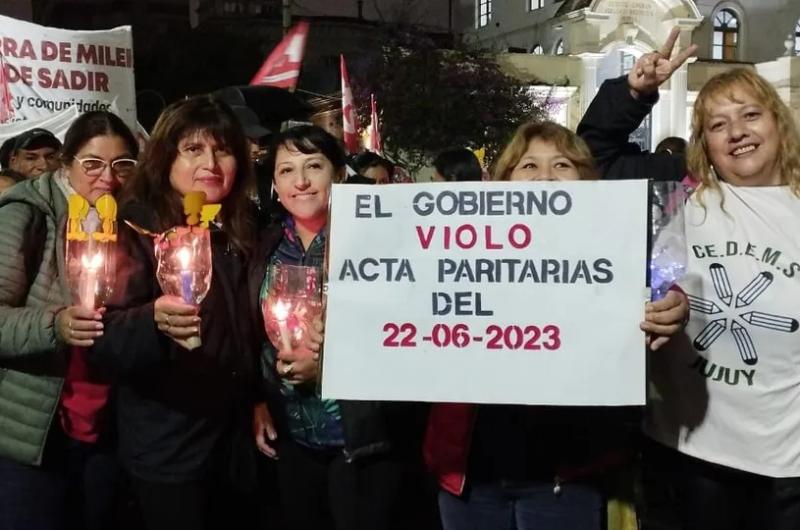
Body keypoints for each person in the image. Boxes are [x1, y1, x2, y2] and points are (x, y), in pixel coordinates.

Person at [578, 27, 800, 530]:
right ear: (704, 142)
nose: (736, 132)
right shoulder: (678, 190)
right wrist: (634, 92)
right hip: (683, 453)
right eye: (717, 124)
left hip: (786, 466)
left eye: (750, 115)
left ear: (778, 123)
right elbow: (594, 162)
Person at [424, 119, 688, 530]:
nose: (545, 178)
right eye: (528, 166)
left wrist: (672, 306)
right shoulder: (454, 252)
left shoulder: (617, 254)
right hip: (472, 475)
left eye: (562, 165)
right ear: (503, 181)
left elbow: (659, 291)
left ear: (585, 180)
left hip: (567, 477)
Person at [88, 95, 258, 530]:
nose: (212, 163)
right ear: (165, 157)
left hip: (237, 441)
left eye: (223, 150)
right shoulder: (135, 229)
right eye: (194, 149)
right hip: (170, 446)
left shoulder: (242, 227)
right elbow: (102, 337)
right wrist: (152, 320)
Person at [251, 125, 414, 530]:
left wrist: (327, 367)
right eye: (287, 170)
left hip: (359, 441)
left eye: (314, 166)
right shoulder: (267, 245)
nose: (301, 181)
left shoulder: (376, 243)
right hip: (292, 437)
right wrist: (262, 391)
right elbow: (253, 334)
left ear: (339, 174)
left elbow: (401, 337)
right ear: (274, 182)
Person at [0, 110, 139, 530]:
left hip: (105, 428)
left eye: (122, 165)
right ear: (67, 163)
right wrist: (54, 325)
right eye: (93, 164)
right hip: (35, 433)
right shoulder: (26, 214)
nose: (107, 178)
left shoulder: (133, 224)